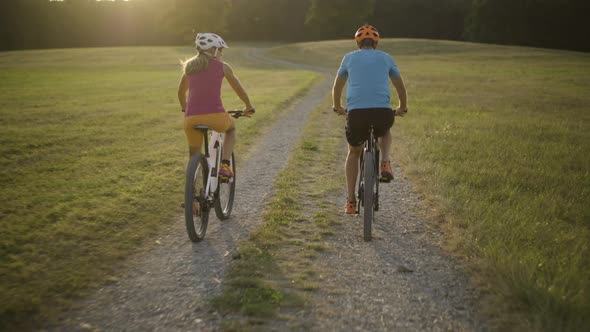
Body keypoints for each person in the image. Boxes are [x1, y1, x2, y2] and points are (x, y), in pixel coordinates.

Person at [332, 24, 408, 214]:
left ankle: (350, 201)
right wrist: (402, 107)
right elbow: (400, 87)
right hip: (382, 112)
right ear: (376, 42)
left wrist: (338, 107)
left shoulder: (349, 58)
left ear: (358, 43)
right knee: (385, 129)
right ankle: (386, 162)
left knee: (354, 151)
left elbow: (337, 87)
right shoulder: (386, 57)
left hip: (356, 114)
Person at [177, 33, 254, 178]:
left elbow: (180, 93)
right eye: (221, 50)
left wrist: (185, 109)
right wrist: (248, 106)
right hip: (216, 117)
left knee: (193, 157)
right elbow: (239, 89)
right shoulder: (223, 67)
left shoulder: (189, 67)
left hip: (191, 119)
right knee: (231, 129)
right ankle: (225, 165)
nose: (222, 54)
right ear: (213, 50)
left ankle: (191, 198)